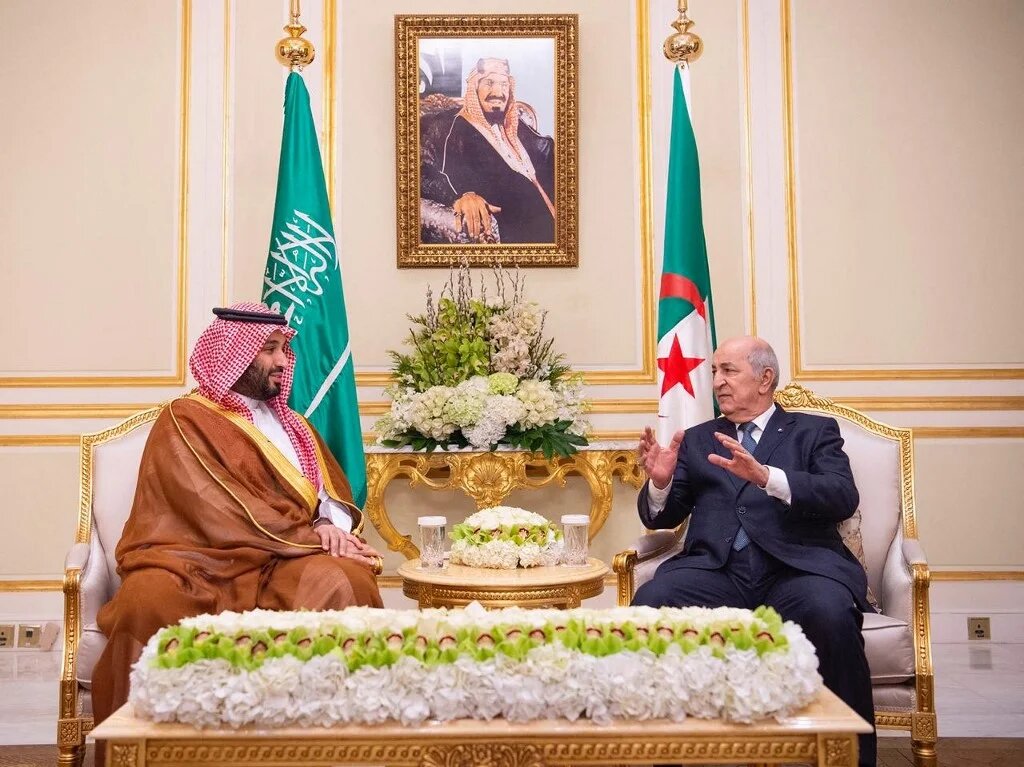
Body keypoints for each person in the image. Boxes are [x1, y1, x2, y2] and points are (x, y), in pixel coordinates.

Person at [92, 302, 383, 724]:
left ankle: (331, 742)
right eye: (270, 349)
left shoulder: (295, 425)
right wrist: (305, 536)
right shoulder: (185, 418)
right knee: (147, 601)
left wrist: (325, 524)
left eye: (284, 349)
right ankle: (144, 748)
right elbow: (208, 504)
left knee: (345, 582)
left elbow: (324, 494)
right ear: (236, 354)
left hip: (280, 559)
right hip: (193, 559)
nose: (283, 361)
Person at [633, 336, 876, 767]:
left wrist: (766, 477)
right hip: (717, 573)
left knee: (830, 612)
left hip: (797, 572)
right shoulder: (696, 438)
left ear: (765, 378)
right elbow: (661, 519)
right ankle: (660, 752)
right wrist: (660, 482)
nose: (717, 382)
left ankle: (852, 758)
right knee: (651, 603)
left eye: (728, 370)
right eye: (714, 372)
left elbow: (842, 496)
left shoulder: (813, 431)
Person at [419, 57, 556, 244]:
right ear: (474, 88)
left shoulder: (519, 127)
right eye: (489, 83)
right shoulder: (450, 126)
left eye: (504, 84)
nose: (498, 92)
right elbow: (422, 172)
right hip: (517, 236)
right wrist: (462, 196)